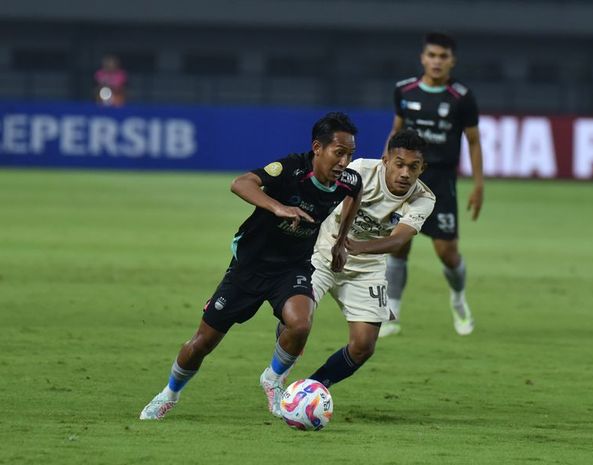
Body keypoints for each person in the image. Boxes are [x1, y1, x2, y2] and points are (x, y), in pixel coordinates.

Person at [139, 112, 363, 420]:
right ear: (317, 148)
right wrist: (279, 207)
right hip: (249, 267)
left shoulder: (348, 181)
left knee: (300, 324)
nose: (344, 162)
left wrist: (339, 242)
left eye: (350, 154)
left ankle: (273, 379)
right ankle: (169, 394)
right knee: (202, 343)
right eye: (339, 153)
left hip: (292, 268)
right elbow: (240, 183)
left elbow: (355, 193)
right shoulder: (290, 169)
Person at [269, 129, 435, 391]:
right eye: (399, 164)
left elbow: (397, 240)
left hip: (367, 268)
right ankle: (276, 376)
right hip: (323, 253)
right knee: (296, 321)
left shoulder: (423, 199)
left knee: (363, 346)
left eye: (413, 167)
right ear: (386, 161)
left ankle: (311, 389)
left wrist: (356, 247)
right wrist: (338, 243)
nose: (405, 173)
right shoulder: (360, 170)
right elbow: (341, 198)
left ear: (422, 168)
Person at [381, 32, 484, 337]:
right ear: (423, 58)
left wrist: (479, 185)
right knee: (398, 245)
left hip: (441, 181)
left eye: (443, 56)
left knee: (447, 252)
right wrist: (383, 166)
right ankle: (392, 313)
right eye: (432, 55)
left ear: (452, 60)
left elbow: (474, 141)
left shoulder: (461, 97)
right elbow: (395, 131)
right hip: (405, 178)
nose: (437, 61)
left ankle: (458, 299)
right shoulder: (404, 91)